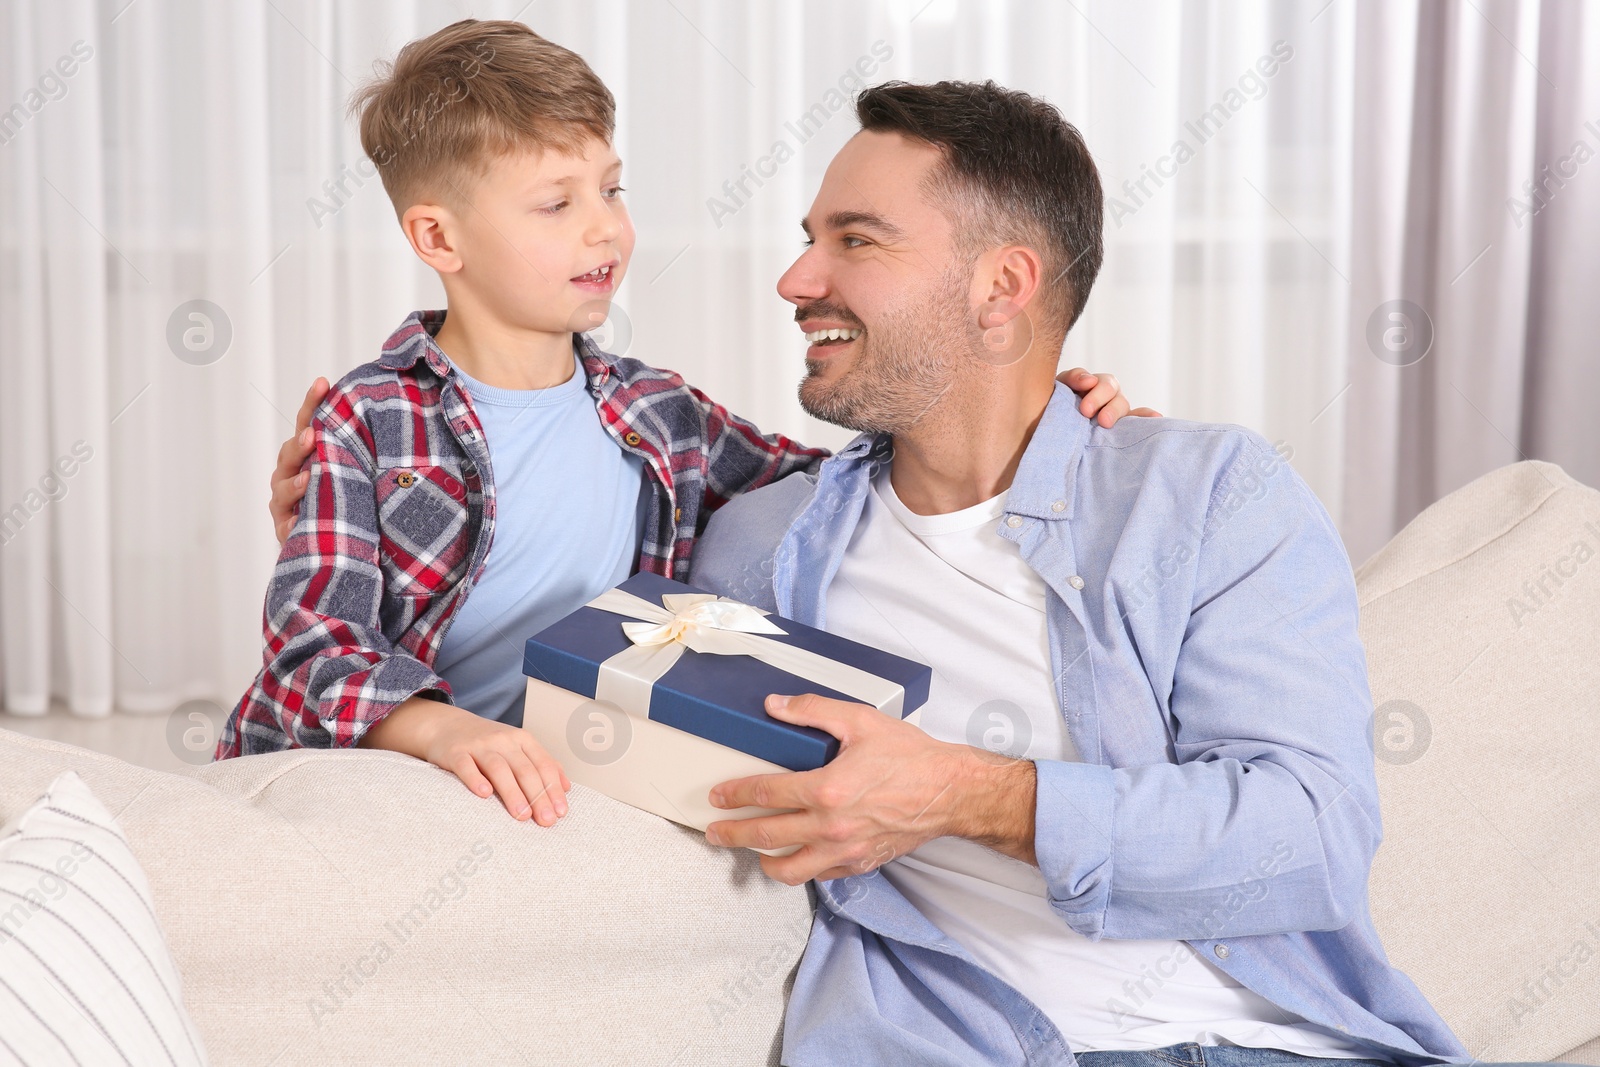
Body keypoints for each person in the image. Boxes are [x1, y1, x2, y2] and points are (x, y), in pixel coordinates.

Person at [677, 81, 1566, 1067]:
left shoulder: (1203, 494)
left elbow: (1307, 837)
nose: (796, 278)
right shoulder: (761, 545)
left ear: (1000, 288)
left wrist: (962, 794)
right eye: (811, 237)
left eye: (855, 240)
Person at [223, 18, 1141, 839]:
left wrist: (1037, 412)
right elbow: (313, 643)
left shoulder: (658, 411)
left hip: (575, 773)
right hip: (404, 761)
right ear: (438, 238)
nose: (606, 232)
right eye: (557, 203)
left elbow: (849, 481)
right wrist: (440, 727)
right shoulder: (372, 416)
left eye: (611, 190)